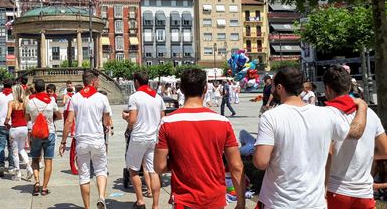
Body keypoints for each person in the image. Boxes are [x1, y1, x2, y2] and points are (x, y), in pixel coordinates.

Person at [253, 67, 368, 208]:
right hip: (314, 202)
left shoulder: (270, 117)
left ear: (279, 88)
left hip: (279, 201)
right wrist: (362, 107)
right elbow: (356, 132)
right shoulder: (326, 114)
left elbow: (260, 162)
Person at [154, 68, 245, 209]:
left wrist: (179, 162)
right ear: (204, 89)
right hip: (215, 199)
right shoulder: (223, 122)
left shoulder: (167, 123)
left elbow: (159, 167)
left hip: (184, 200)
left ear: (182, 89)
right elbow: (236, 167)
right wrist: (241, 203)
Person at [323, 65, 387, 208]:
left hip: (336, 189)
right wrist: (365, 155)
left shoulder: (326, 114)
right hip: (364, 192)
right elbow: (384, 151)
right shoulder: (370, 113)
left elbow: (327, 154)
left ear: (327, 89)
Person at [60, 70, 112, 209]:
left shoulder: (75, 98)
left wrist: (63, 141)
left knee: (84, 175)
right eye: (98, 81)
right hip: (97, 139)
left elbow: (69, 121)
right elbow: (107, 121)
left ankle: (87, 207)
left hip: (82, 140)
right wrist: (107, 125)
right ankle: (101, 197)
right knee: (101, 170)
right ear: (93, 81)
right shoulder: (102, 98)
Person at [122, 71, 165, 209]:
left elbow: (133, 119)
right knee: (153, 171)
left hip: (139, 137)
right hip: (154, 137)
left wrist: (125, 117)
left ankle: (140, 200)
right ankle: (156, 205)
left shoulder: (135, 97)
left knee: (133, 169)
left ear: (136, 82)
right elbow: (162, 118)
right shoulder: (157, 97)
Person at [27, 79, 61, 196]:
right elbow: (59, 115)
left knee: (35, 159)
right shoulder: (51, 100)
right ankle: (45, 187)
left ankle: (37, 181)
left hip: (35, 133)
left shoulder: (30, 101)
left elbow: (26, 117)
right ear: (44, 88)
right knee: (48, 161)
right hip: (49, 132)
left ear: (35, 88)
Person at [6, 84, 33, 181]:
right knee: (22, 149)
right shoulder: (26, 102)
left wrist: (6, 123)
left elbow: (8, 116)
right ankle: (29, 167)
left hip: (15, 128)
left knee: (15, 152)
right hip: (24, 128)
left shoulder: (11, 103)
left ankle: (18, 173)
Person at [0, 79, 15, 177]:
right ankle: (11, 166)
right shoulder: (13, 96)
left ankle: (1, 165)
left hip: (0, 123)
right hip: (11, 124)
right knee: (11, 146)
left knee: (0, 146)